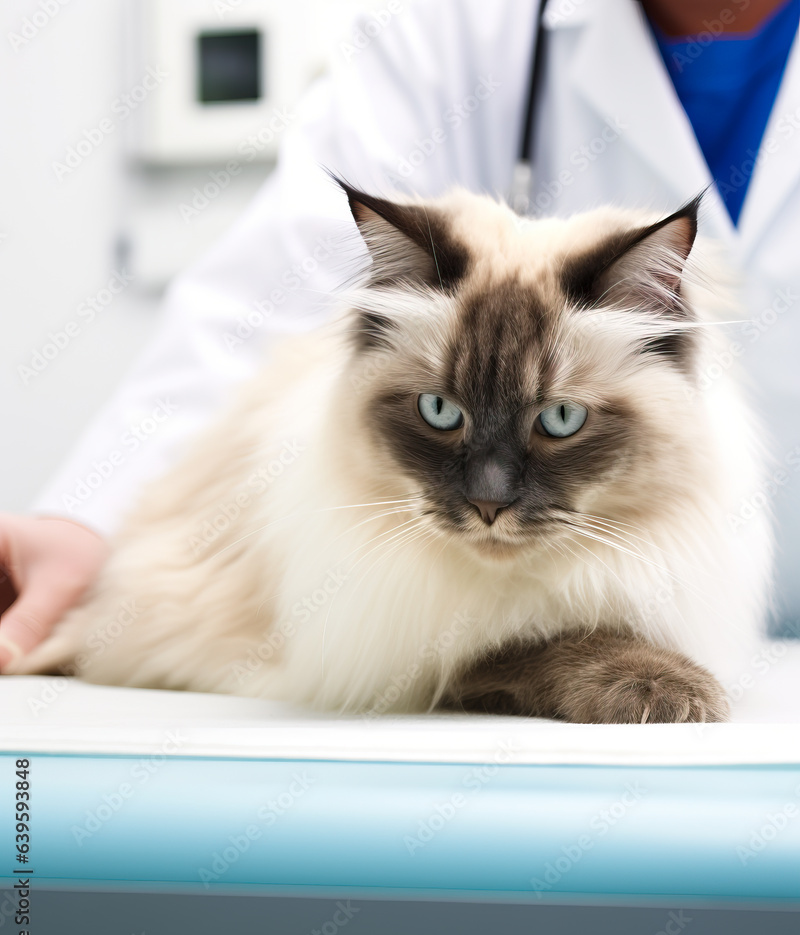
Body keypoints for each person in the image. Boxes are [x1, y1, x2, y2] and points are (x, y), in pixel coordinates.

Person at [2, 0, 799, 670]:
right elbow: (274, 306)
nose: (491, 496)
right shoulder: (462, 22)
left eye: (560, 420)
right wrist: (93, 521)